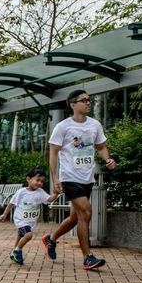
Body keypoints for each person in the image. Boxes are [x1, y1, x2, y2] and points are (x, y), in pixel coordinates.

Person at [42, 90, 116, 270]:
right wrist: (55, 177)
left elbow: (101, 147)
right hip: (70, 177)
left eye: (89, 100)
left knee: (75, 218)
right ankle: (87, 257)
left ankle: (50, 239)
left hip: (87, 178)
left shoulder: (94, 124)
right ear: (73, 105)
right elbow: (53, 153)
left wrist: (107, 158)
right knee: (86, 213)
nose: (88, 103)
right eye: (84, 100)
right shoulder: (63, 127)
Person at [0, 168, 60, 265]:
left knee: (20, 237)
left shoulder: (40, 192)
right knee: (28, 235)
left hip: (30, 221)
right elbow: (12, 203)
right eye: (37, 180)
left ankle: (14, 253)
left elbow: (49, 199)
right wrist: (5, 214)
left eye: (42, 181)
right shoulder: (21, 192)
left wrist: (56, 194)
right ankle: (17, 251)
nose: (39, 183)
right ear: (28, 179)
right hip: (20, 220)